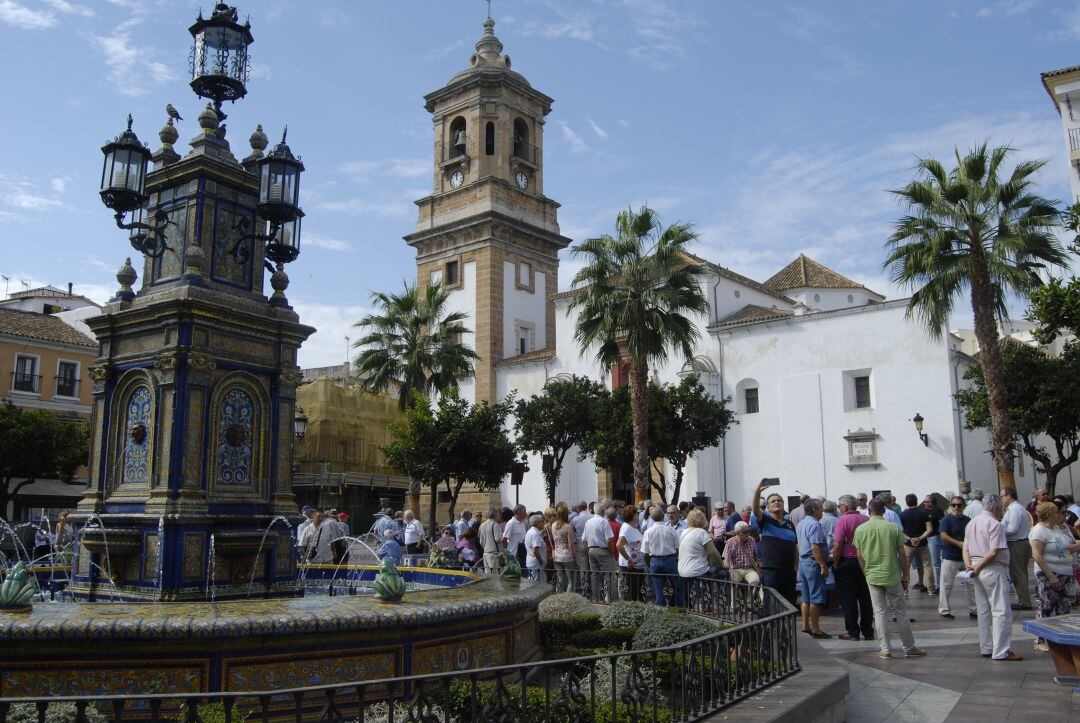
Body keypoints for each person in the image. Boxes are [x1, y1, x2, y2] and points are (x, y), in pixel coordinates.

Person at [853, 498, 926, 660]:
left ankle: (885, 648)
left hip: (872, 575)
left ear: (869, 511)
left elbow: (859, 555)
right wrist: (906, 574)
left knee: (879, 613)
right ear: (884, 511)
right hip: (892, 574)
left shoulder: (860, 529)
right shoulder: (892, 528)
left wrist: (866, 572)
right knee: (900, 612)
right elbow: (902, 554)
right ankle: (909, 646)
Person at [963, 494, 1022, 661]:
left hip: (976, 565)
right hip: (991, 568)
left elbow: (965, 548)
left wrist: (970, 566)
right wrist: (978, 567)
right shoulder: (995, 524)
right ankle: (1001, 650)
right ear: (995, 508)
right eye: (1001, 509)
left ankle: (986, 646)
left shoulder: (971, 523)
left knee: (983, 610)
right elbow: (994, 551)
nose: (1001, 511)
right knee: (1001, 610)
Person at [1029, 501, 1080, 651]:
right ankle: (1040, 640)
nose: (1063, 515)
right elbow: (1037, 555)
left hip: (1064, 572)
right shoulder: (1039, 531)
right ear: (1050, 515)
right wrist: (1051, 576)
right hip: (1048, 573)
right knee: (1046, 606)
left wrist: (1074, 549)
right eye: (1060, 513)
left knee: (1063, 607)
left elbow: (1060, 551)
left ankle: (1060, 640)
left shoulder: (1057, 528)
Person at [832, 495, 874, 641]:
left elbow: (838, 545)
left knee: (848, 599)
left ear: (844, 506)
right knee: (865, 597)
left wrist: (836, 562)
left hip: (847, 562)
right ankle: (868, 630)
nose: (839, 509)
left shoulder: (842, 520)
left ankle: (853, 631)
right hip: (865, 561)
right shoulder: (866, 519)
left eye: (839, 506)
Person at [750, 479, 798, 606]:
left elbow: (795, 547)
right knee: (771, 603)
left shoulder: (790, 524)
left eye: (779, 500)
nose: (776, 502)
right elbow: (755, 509)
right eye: (773, 501)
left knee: (789, 604)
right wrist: (757, 492)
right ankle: (770, 626)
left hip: (788, 571)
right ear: (768, 507)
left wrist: (795, 567)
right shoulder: (765, 520)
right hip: (772, 570)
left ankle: (787, 626)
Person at [796, 499, 831, 639]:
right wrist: (823, 565)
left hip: (803, 562)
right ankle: (816, 629)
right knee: (816, 597)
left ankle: (806, 626)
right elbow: (815, 547)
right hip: (812, 563)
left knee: (806, 597)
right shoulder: (815, 524)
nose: (822, 511)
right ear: (815, 509)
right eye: (821, 509)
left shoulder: (801, 523)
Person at [937, 496, 975, 620]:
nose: (956, 507)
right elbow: (943, 535)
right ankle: (944, 609)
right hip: (950, 556)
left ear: (963, 506)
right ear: (950, 506)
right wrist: (958, 543)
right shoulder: (946, 519)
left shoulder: (967, 520)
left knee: (971, 583)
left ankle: (974, 609)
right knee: (946, 584)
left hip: (965, 557)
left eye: (959, 505)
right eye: (954, 505)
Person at [678, 508, 723, 607]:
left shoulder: (684, 532)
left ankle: (699, 603)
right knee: (721, 574)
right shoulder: (702, 533)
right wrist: (722, 565)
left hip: (682, 571)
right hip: (697, 570)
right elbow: (714, 553)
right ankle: (716, 604)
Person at [1000, 486, 1033, 610]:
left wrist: (999, 530)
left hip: (1016, 543)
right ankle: (1022, 599)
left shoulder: (1015, 510)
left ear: (1009, 496)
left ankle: (1024, 601)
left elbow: (1012, 529)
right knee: (1020, 573)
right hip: (1019, 542)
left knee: (1018, 573)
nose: (1001, 499)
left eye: (1002, 496)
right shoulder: (1014, 509)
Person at [642, 506, 682, 606]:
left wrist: (649, 563)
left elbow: (645, 553)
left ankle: (661, 609)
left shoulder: (648, 532)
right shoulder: (671, 530)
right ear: (664, 516)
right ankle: (679, 607)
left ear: (651, 517)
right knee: (677, 586)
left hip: (654, 560)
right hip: (670, 559)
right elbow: (677, 548)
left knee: (658, 589)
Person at [900, 493, 936, 595]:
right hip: (923, 544)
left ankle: (905, 590)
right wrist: (919, 538)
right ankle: (931, 590)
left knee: (906, 567)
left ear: (907, 502)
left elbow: (900, 531)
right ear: (916, 501)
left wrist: (910, 539)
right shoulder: (924, 513)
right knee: (927, 566)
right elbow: (929, 529)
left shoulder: (902, 514)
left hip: (908, 544)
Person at [584, 500, 616, 601]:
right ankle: (610, 599)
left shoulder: (588, 522)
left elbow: (583, 539)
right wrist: (612, 552)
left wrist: (588, 550)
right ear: (603, 512)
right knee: (609, 575)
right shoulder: (604, 521)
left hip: (591, 549)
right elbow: (609, 540)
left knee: (594, 575)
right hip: (603, 550)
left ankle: (595, 598)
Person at [616, 506, 644, 602]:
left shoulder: (633, 528)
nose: (638, 515)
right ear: (633, 516)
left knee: (637, 592)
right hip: (631, 566)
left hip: (638, 565)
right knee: (632, 593)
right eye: (637, 513)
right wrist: (628, 560)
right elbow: (619, 545)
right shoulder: (626, 528)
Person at [551, 504, 579, 592]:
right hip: (567, 556)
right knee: (570, 581)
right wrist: (577, 559)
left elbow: (555, 542)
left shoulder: (553, 525)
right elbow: (571, 545)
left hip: (557, 555)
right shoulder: (568, 527)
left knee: (560, 580)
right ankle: (568, 600)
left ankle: (559, 599)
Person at [722, 520, 761, 586]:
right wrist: (730, 571)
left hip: (749, 569)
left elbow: (755, 555)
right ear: (738, 533)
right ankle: (735, 596)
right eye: (745, 532)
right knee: (733, 581)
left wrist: (759, 565)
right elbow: (726, 559)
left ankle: (750, 596)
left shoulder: (751, 540)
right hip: (736, 569)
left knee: (755, 581)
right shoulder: (730, 542)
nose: (748, 534)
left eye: (748, 531)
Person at [501, 504, 528, 570]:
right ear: (519, 512)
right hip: (513, 554)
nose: (526, 513)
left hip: (522, 552)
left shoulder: (523, 522)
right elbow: (504, 539)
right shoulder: (511, 523)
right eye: (524, 511)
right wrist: (507, 553)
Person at [478, 507, 503, 574]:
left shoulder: (482, 525)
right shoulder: (495, 525)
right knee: (495, 577)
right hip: (494, 555)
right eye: (499, 516)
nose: (499, 517)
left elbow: (481, 541)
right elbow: (498, 539)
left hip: (486, 554)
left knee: (488, 576)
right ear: (496, 516)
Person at [524, 513, 547, 582]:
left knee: (532, 579)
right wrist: (541, 561)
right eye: (542, 521)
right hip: (536, 562)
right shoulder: (535, 534)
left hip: (531, 560)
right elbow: (535, 550)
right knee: (535, 581)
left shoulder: (530, 531)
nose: (544, 523)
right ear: (538, 523)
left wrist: (542, 533)